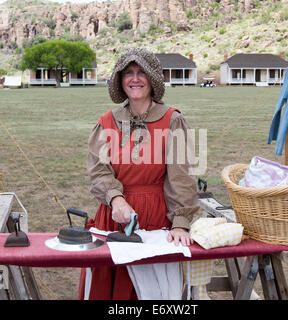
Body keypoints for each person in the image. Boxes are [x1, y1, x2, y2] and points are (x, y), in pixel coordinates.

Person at [78, 48, 200, 300]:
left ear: (153, 78)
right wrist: (115, 198)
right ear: (120, 80)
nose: (135, 79)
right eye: (128, 73)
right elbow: (99, 170)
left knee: (150, 293)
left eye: (141, 72)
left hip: (156, 216)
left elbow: (181, 177)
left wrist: (180, 222)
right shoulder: (107, 122)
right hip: (114, 217)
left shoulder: (171, 120)